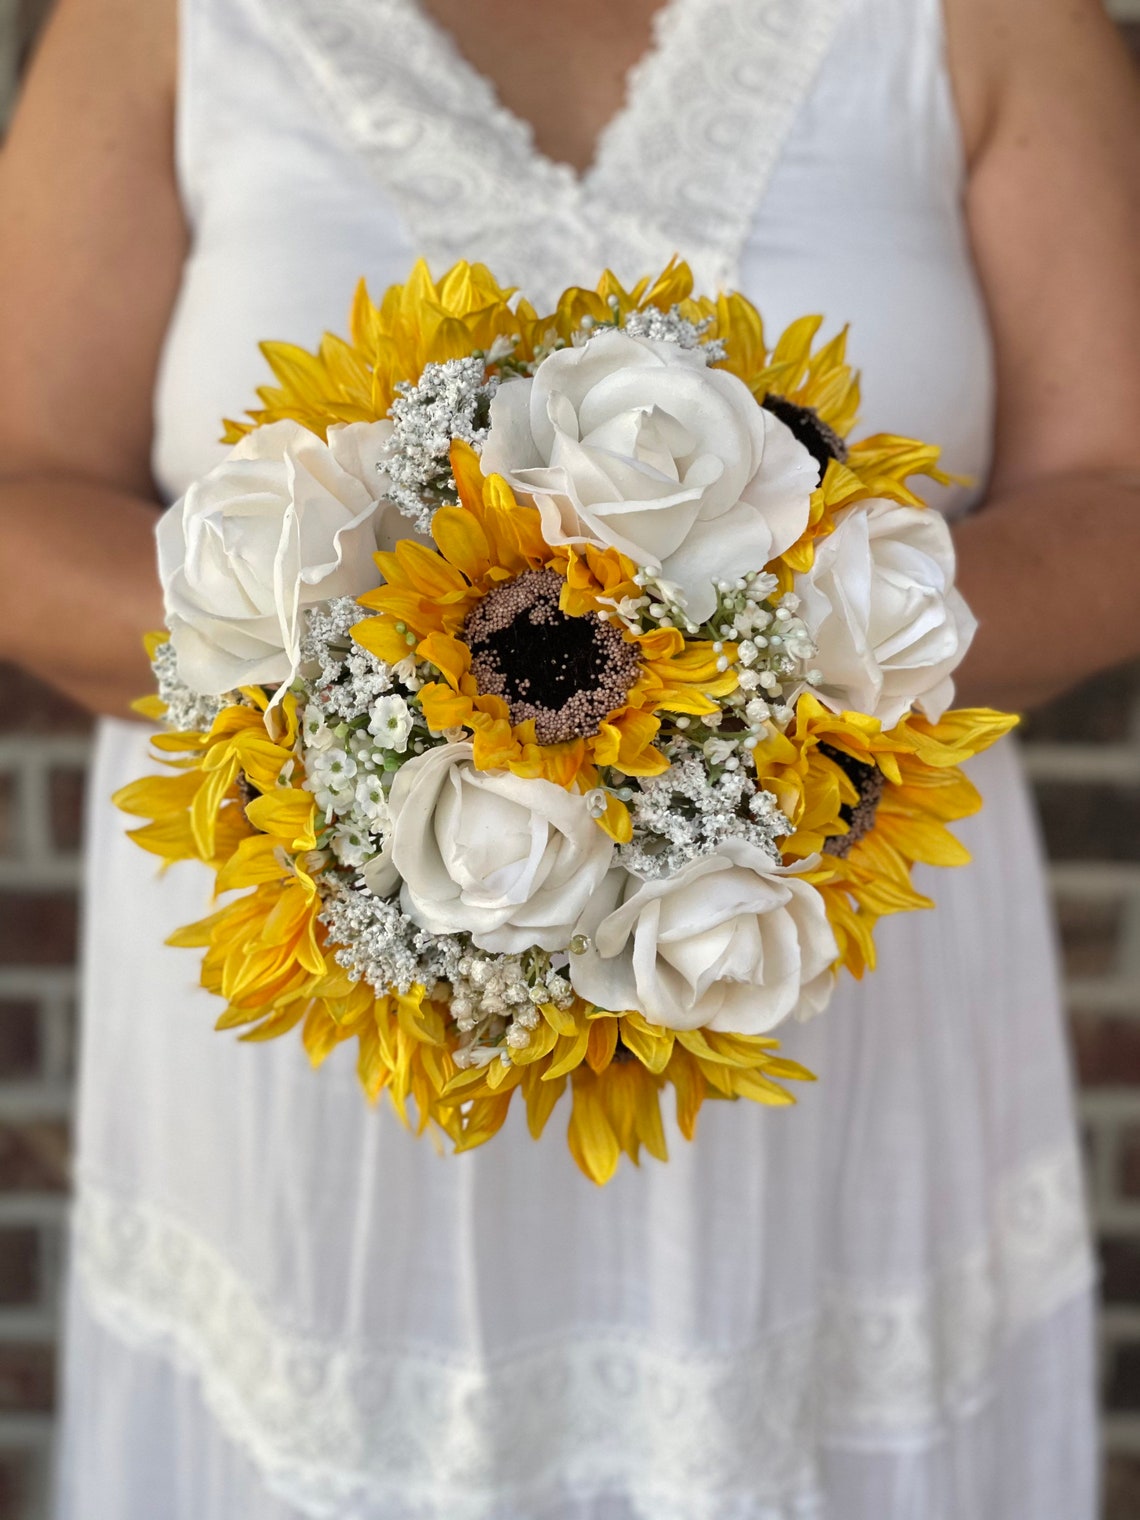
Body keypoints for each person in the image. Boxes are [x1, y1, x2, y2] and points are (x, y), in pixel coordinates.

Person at [1, 0, 1138, 1514]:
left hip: (816, 1013)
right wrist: (382, 681)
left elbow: (1118, 495)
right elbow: (20, 493)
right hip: (315, 1080)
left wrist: (732, 681)